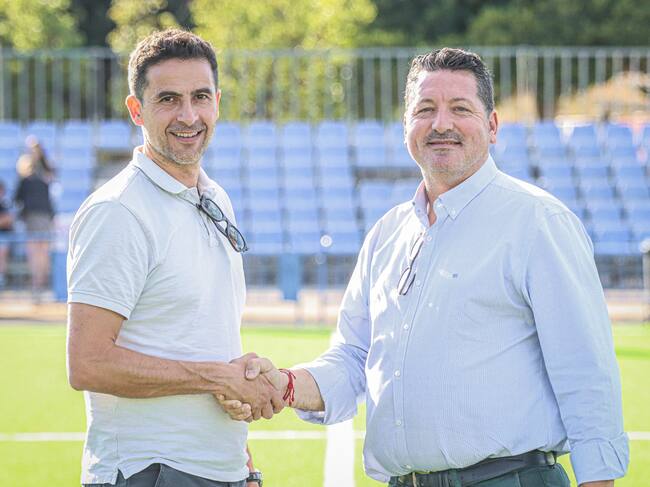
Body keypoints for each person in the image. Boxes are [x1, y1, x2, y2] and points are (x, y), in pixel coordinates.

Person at [220, 48, 629, 487]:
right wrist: (283, 384)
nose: (441, 124)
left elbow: (586, 375)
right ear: (406, 127)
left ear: (492, 126)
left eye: (460, 109)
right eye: (425, 109)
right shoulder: (387, 234)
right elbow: (354, 358)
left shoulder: (538, 222)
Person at [66, 29, 281, 487]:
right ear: (136, 110)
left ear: (217, 103)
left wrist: (237, 453)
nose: (188, 115)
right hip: (148, 472)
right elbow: (88, 363)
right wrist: (217, 378)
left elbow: (201, 336)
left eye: (200, 97)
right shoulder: (118, 211)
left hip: (218, 469)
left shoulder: (215, 197)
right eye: (168, 99)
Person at [14, 153, 54, 299]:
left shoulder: (25, 181)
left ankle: (36, 285)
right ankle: (40, 284)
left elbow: (16, 200)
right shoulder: (44, 180)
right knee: (43, 252)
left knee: (35, 252)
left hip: (33, 218)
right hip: (46, 218)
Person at [0, 180, 13, 288]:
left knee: (2, 249)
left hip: (3, 236)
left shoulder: (5, 204)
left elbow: (8, 220)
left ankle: (1, 278)